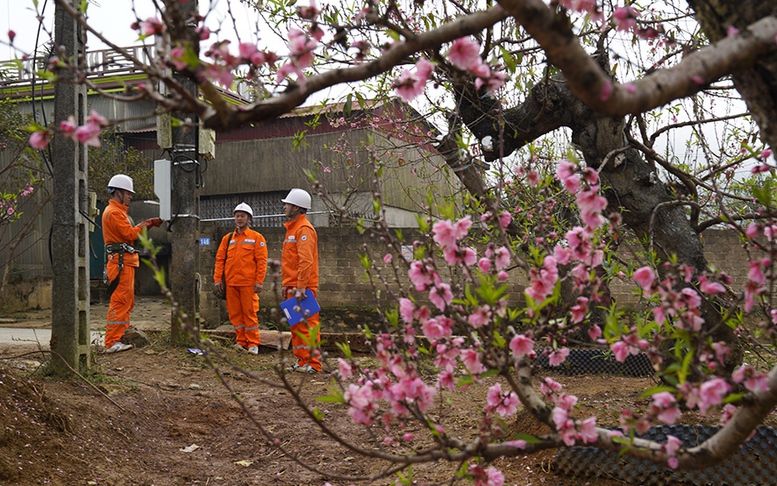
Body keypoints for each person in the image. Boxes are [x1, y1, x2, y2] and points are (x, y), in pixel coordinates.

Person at [102, 174, 163, 353]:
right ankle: (112, 341)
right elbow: (131, 235)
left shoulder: (119, 212)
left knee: (126, 301)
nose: (130, 196)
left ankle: (120, 335)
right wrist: (149, 223)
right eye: (128, 193)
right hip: (121, 263)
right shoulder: (113, 212)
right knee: (120, 301)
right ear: (118, 192)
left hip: (124, 262)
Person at [213, 203, 268, 355]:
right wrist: (218, 279)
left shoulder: (257, 238)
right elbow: (219, 260)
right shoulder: (227, 238)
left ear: (249, 218)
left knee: (249, 313)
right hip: (231, 283)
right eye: (237, 216)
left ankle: (253, 343)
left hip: (248, 284)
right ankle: (241, 341)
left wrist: (259, 281)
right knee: (235, 314)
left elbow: (261, 261)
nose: (239, 218)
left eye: (242, 216)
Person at [281, 188, 321, 373]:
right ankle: (302, 360)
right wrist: (286, 285)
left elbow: (306, 261)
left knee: (307, 326)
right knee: (296, 326)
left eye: (287, 205)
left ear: (296, 207)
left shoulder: (303, 229)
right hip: (294, 286)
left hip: (303, 288)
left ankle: (313, 363)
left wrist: (300, 287)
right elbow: (291, 261)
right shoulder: (293, 229)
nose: (284, 207)